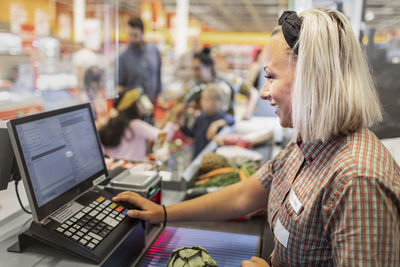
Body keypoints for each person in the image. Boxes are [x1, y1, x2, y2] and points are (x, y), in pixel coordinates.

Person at [113, 8, 400, 266]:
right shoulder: (308, 142)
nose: (263, 92)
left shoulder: (358, 181)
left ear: (311, 79)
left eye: (271, 77)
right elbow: (245, 194)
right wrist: (163, 212)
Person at [99, 88, 176, 161]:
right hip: (134, 168)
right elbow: (163, 136)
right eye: (138, 102)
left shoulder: (112, 122)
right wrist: (172, 119)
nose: (141, 105)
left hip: (119, 167)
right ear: (132, 106)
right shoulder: (136, 125)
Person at [184, 49, 259, 120]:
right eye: (193, 69)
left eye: (197, 69)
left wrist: (247, 113)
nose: (194, 73)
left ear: (209, 68)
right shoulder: (194, 86)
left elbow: (253, 92)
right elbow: (184, 104)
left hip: (226, 125)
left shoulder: (228, 80)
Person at [177, 83, 235, 158]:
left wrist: (215, 124)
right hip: (197, 156)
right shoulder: (201, 117)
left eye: (205, 99)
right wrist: (183, 127)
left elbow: (231, 119)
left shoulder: (221, 117)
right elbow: (193, 134)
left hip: (211, 158)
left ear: (216, 103)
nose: (201, 102)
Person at [117, 17, 162, 102]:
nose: (132, 39)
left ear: (142, 33)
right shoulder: (123, 57)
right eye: (130, 35)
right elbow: (120, 85)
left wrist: (160, 94)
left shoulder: (154, 51)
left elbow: (158, 75)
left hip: (152, 101)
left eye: (135, 35)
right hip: (133, 106)